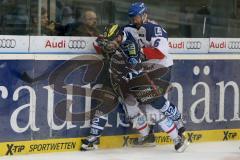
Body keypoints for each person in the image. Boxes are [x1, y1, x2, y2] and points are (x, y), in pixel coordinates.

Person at [80, 23, 188, 152]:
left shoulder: (131, 45)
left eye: (112, 40)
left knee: (152, 109)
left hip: (137, 80)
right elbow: (97, 45)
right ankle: (96, 136)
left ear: (119, 37)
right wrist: (102, 42)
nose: (110, 43)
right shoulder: (114, 39)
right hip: (117, 79)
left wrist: (126, 75)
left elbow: (135, 68)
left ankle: (177, 139)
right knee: (122, 107)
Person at [118, 2, 188, 151]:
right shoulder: (128, 28)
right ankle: (148, 135)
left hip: (161, 69)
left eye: (136, 17)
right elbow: (117, 36)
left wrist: (139, 52)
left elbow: (160, 52)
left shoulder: (155, 29)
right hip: (143, 71)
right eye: (132, 17)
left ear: (144, 15)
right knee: (130, 103)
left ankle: (178, 129)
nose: (134, 20)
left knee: (154, 106)